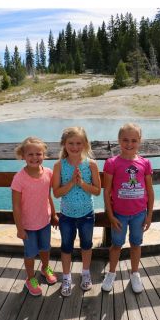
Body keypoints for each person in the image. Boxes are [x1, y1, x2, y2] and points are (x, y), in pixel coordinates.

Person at [101, 123, 154, 294]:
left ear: (140, 141)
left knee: (136, 244)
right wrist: (110, 215)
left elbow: (150, 190)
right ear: (119, 140)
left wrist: (149, 215)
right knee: (116, 244)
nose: (129, 144)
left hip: (139, 214)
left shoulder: (145, 163)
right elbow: (107, 191)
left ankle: (135, 273)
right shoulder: (111, 163)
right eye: (125, 140)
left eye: (133, 140)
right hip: (119, 215)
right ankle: (111, 273)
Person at [51, 127, 101, 297]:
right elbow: (56, 193)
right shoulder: (59, 166)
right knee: (66, 247)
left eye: (79, 143)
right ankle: (66, 277)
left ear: (85, 144)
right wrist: (72, 182)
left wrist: (81, 184)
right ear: (64, 144)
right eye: (71, 143)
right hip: (66, 215)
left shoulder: (91, 164)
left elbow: (97, 190)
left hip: (87, 214)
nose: (74, 146)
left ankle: (85, 273)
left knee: (86, 245)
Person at [11, 137, 57, 296]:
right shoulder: (19, 178)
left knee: (45, 248)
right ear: (22, 156)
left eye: (39, 154)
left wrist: (54, 214)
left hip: (44, 221)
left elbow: (48, 196)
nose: (35, 157)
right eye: (30, 154)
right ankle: (30, 278)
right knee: (30, 253)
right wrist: (19, 228)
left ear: (44, 155)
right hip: (28, 225)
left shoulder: (49, 173)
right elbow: (16, 206)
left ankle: (45, 268)